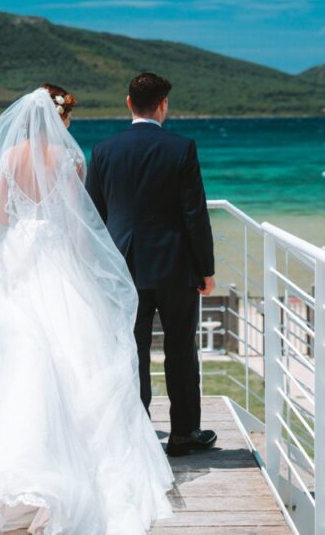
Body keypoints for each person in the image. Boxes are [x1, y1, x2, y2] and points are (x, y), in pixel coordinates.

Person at [0, 84, 174, 534]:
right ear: (62, 118)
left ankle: (1, 444)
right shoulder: (69, 160)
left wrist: (25, 223)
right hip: (56, 256)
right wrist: (81, 264)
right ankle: (70, 447)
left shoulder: (9, 156)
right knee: (74, 345)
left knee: (9, 347)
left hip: (20, 254)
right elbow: (80, 224)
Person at [85, 72, 217, 458]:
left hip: (121, 265)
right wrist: (205, 269)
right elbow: (195, 214)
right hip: (175, 265)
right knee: (180, 349)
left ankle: (137, 433)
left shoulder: (104, 150)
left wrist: (96, 265)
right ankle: (183, 434)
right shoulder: (181, 148)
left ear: (128, 103)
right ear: (163, 105)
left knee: (131, 349)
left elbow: (94, 214)